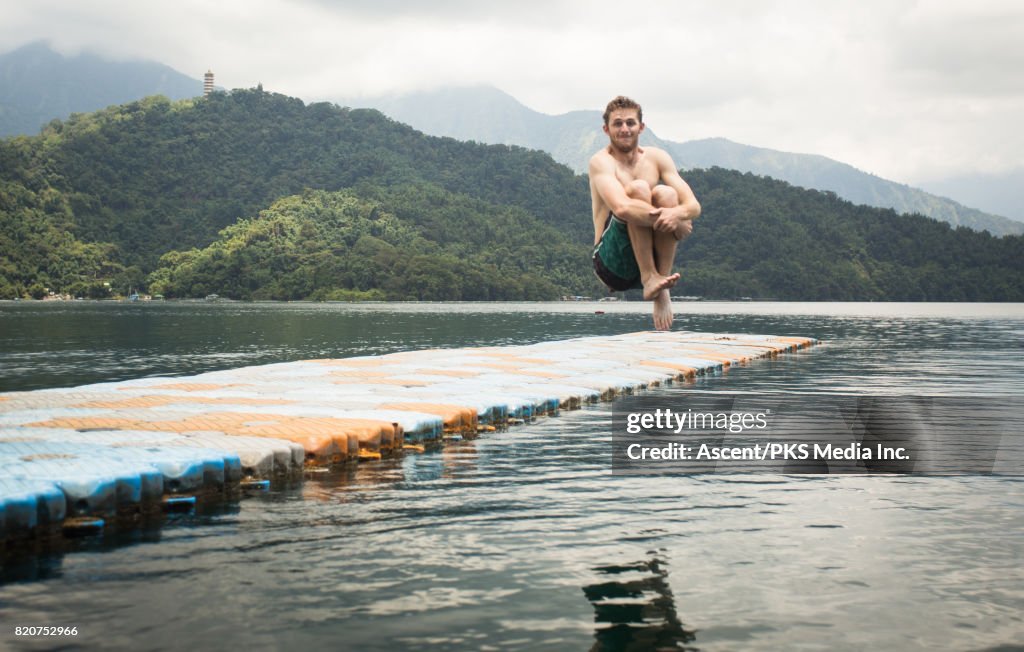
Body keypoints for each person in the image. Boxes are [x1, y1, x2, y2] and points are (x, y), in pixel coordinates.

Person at [589, 96, 701, 330]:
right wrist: (675, 220)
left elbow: (693, 206)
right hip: (611, 264)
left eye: (630, 123)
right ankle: (650, 277)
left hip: (647, 252)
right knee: (639, 189)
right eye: (617, 124)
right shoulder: (601, 162)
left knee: (667, 194)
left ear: (641, 127)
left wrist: (678, 214)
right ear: (606, 129)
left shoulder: (657, 157)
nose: (624, 129)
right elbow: (622, 207)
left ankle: (660, 283)